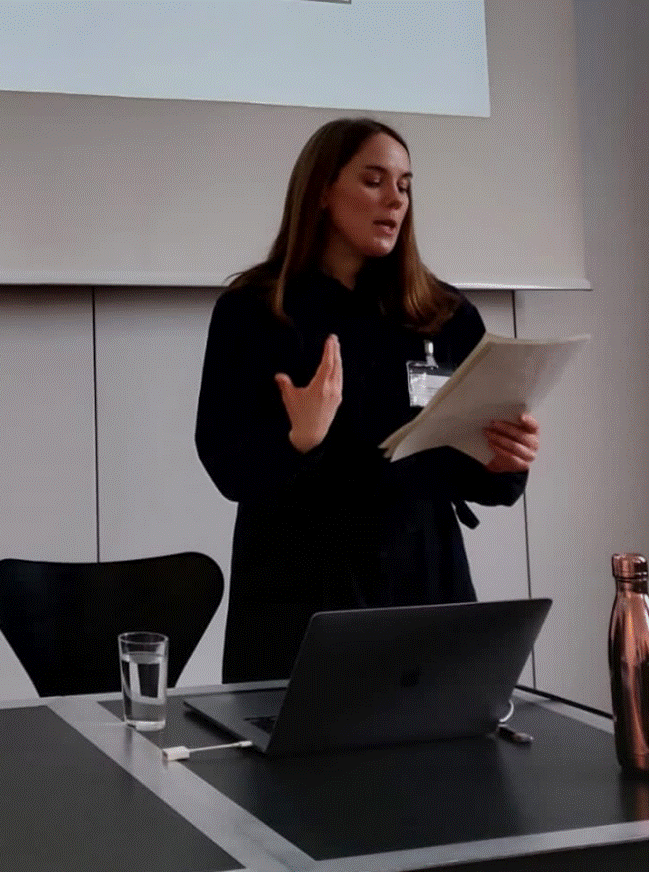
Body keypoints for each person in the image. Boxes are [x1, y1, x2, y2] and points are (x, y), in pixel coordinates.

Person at [195, 118, 540, 683]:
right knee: (305, 771)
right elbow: (227, 465)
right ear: (324, 191)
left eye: (404, 185)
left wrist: (505, 461)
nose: (394, 200)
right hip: (302, 603)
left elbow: (476, 474)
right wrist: (298, 440)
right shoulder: (255, 311)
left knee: (444, 768)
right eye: (374, 180)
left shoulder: (444, 315)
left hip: (425, 592)